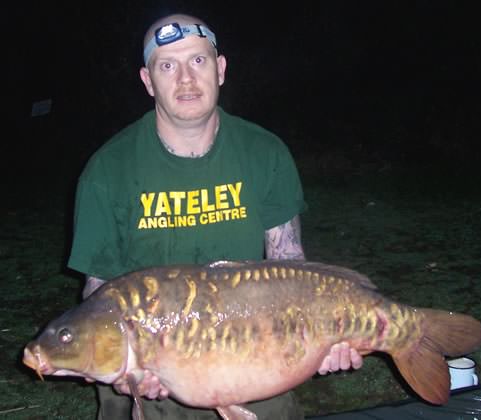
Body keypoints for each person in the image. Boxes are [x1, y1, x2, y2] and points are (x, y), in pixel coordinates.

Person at [68, 13, 363, 420]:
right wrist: (123, 366)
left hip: (257, 352)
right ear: (148, 80)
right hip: (153, 366)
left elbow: (290, 262)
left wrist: (325, 333)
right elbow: (98, 289)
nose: (185, 79)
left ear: (220, 69)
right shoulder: (107, 171)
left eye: (198, 61)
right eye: (167, 66)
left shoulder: (265, 152)